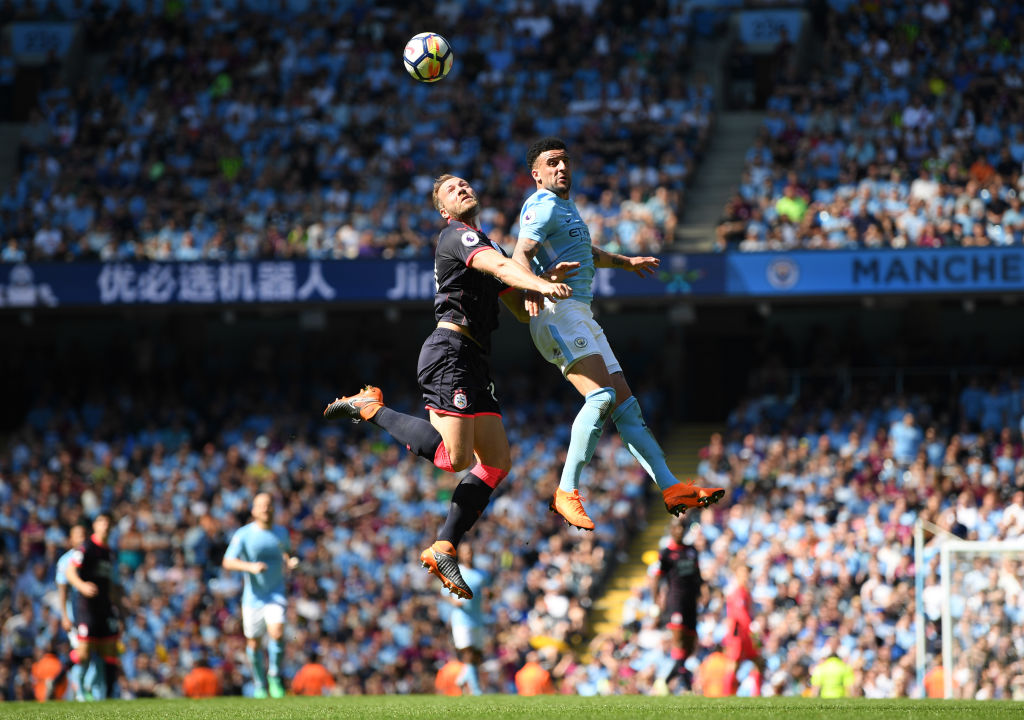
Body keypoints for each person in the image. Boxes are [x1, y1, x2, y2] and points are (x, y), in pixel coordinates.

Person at [324, 174, 575, 599]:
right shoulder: (455, 236)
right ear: (443, 209)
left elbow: (513, 303)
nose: (463, 189)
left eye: (465, 184)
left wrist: (540, 281)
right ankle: (372, 408)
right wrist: (537, 281)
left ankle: (444, 546)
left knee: (496, 462)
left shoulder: (490, 244)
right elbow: (499, 269)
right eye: (451, 190)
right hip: (450, 349)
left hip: (474, 359)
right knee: (453, 459)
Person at [511, 137, 725, 531]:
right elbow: (520, 253)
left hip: (579, 314)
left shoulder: (564, 207)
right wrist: (533, 287)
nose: (561, 168)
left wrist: (625, 262)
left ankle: (671, 486)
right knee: (602, 396)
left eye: (565, 161)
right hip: (558, 312)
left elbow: (585, 253)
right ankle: (566, 491)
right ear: (536, 173)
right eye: (552, 163)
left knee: (627, 409)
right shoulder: (540, 205)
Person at [221, 493, 299, 699]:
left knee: (277, 632)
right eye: (261, 506)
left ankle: (274, 675)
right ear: (253, 510)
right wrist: (250, 567)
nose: (265, 509)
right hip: (253, 597)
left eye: (269, 505)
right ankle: (259, 683)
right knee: (253, 643)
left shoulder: (282, 532)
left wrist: (289, 562)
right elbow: (228, 561)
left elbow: (285, 553)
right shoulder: (244, 534)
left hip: (276, 593)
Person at [64, 512, 123, 700]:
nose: (105, 525)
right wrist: (82, 585)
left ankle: (107, 697)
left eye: (108, 522)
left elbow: (111, 585)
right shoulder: (87, 547)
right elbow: (70, 571)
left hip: (104, 608)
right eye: (102, 521)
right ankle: (60, 679)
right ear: (96, 525)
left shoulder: (109, 552)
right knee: (83, 654)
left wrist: (120, 609)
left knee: (110, 652)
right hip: (87, 607)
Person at [652, 518, 703, 690]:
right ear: (671, 530)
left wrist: (703, 592)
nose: (679, 531)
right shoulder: (666, 553)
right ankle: (680, 683)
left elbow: (698, 575)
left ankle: (672, 680)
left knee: (689, 647)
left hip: (691, 602)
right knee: (678, 640)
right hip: (676, 602)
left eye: (682, 528)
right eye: (676, 528)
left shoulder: (691, 551)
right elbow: (657, 577)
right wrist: (656, 599)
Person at [443, 544, 489, 695]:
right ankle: (475, 690)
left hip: (478, 618)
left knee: (476, 654)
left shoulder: (480, 574)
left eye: (470, 551)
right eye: (465, 552)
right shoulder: (455, 572)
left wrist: (489, 596)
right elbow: (444, 592)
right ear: (460, 554)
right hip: (462, 619)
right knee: (467, 652)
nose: (468, 554)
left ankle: (463, 678)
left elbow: (488, 592)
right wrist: (453, 601)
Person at [55, 522, 87, 701]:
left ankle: (76, 686)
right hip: (74, 615)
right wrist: (64, 616)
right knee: (80, 652)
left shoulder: (89, 556)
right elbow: (62, 591)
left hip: (89, 614)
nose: (81, 538)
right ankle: (77, 690)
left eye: (83, 534)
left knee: (88, 653)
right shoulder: (65, 561)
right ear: (71, 539)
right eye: (77, 535)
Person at [722, 564, 763, 696]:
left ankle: (756, 694)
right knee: (734, 663)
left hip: (747, 633)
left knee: (758, 660)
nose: (746, 576)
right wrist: (752, 628)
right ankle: (727, 694)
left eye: (747, 573)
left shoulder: (745, 592)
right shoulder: (737, 593)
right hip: (739, 633)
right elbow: (740, 614)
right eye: (743, 573)